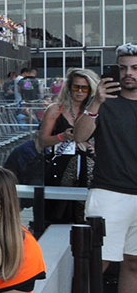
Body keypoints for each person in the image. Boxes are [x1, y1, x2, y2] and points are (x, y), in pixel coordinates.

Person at [73, 44, 137, 293]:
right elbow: (80, 136)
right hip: (108, 192)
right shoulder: (105, 103)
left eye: (134, 68)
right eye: (123, 67)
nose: (128, 74)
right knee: (96, 263)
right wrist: (96, 101)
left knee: (134, 264)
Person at [38, 68, 98, 223]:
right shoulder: (55, 110)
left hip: (87, 167)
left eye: (84, 88)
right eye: (75, 87)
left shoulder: (94, 111)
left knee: (83, 211)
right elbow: (42, 140)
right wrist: (62, 136)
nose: (79, 91)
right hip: (59, 166)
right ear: (69, 87)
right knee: (57, 210)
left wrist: (92, 146)